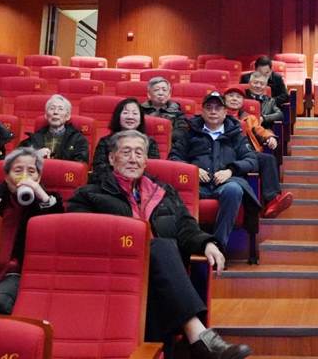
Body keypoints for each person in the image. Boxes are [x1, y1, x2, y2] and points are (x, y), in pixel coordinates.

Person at [68, 130, 252, 359]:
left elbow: (185, 226)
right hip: (115, 274)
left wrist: (207, 243)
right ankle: (199, 337)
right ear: (112, 158)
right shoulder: (88, 195)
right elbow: (82, 238)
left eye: (139, 153)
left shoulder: (164, 192)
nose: (133, 159)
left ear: (146, 160)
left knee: (161, 256)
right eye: (126, 152)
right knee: (159, 247)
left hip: (160, 277)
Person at [0, 147, 63, 314]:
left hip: (18, 272)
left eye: (31, 171)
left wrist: (41, 195)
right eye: (18, 171)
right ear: (6, 177)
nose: (24, 176)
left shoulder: (49, 201)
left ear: (38, 177)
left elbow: (57, 231)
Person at [170, 91, 260, 250]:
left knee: (234, 190)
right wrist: (192, 171)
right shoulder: (189, 132)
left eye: (217, 108)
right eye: (209, 108)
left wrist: (231, 170)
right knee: (178, 193)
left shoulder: (236, 134)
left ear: (225, 112)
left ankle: (218, 246)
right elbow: (174, 158)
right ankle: (189, 246)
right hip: (196, 185)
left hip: (226, 183)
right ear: (202, 111)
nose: (213, 112)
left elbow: (251, 160)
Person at [224, 86, 293, 218]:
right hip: (227, 154)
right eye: (231, 96)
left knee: (268, 159)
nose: (234, 99)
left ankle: (272, 201)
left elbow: (260, 130)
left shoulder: (249, 118)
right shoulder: (218, 116)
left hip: (247, 153)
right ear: (224, 99)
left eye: (238, 97)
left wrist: (270, 137)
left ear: (243, 101)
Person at [92, 98, 160, 180]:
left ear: (141, 119)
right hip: (110, 183)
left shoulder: (150, 142)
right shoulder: (106, 141)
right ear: (118, 117)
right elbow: (99, 169)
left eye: (135, 113)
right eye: (125, 113)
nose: (130, 117)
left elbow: (151, 169)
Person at [18, 94, 89, 163]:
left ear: (67, 116)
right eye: (52, 108)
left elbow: (80, 165)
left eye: (60, 109)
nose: (55, 112)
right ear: (46, 115)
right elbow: (17, 158)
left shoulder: (78, 139)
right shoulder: (35, 138)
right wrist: (35, 154)